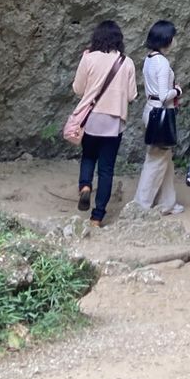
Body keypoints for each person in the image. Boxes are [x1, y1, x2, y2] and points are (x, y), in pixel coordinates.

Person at [72, 20, 138, 228]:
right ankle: (97, 217)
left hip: (91, 118)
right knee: (107, 169)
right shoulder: (126, 62)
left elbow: (78, 89)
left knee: (88, 156)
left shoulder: (88, 58)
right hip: (114, 121)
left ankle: (84, 187)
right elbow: (132, 95)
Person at [132, 19, 184, 215]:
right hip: (160, 112)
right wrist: (177, 90)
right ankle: (141, 205)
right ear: (166, 39)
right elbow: (164, 96)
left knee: (164, 158)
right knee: (156, 159)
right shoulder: (162, 62)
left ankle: (167, 202)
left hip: (151, 111)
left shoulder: (149, 59)